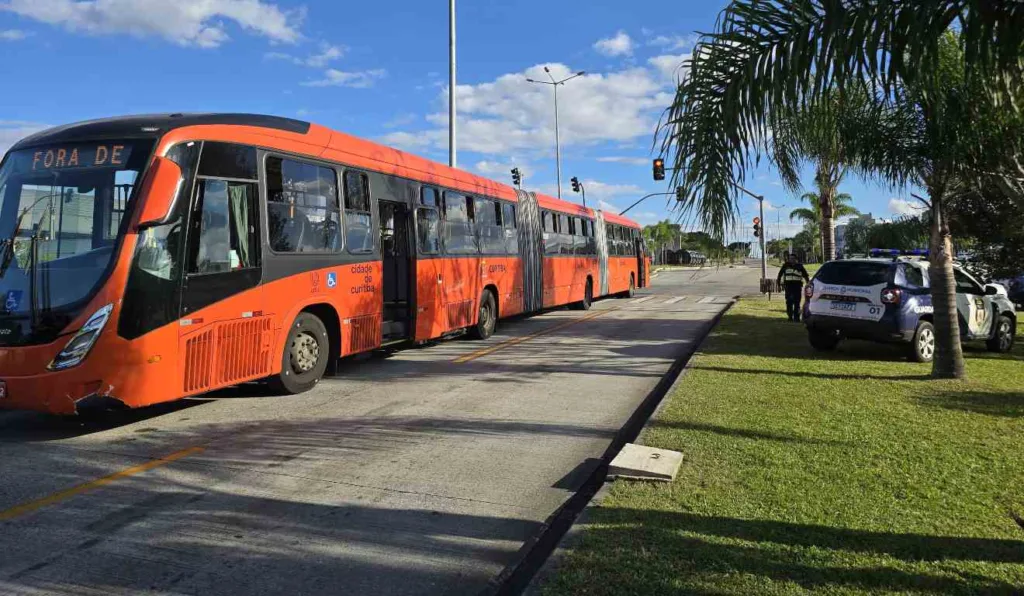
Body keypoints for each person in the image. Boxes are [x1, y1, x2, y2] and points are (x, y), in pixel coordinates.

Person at [777, 252, 810, 322]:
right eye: (790, 258)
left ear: (796, 259)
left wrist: (808, 284)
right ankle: (790, 317)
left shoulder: (800, 266)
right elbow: (779, 275)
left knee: (797, 303)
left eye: (793, 259)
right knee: (789, 303)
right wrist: (779, 285)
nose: (791, 260)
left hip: (797, 287)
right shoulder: (785, 265)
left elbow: (806, 276)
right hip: (788, 287)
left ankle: (796, 318)